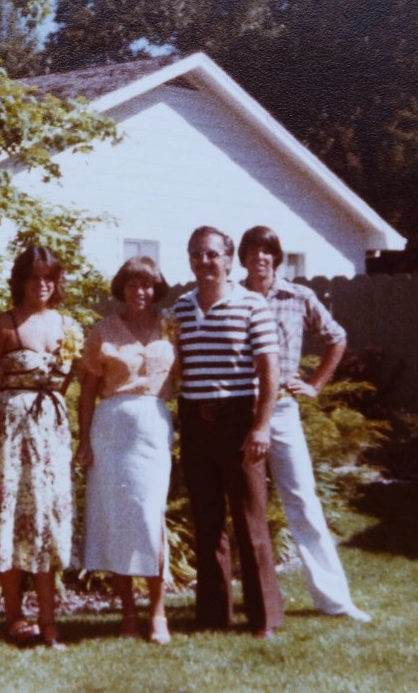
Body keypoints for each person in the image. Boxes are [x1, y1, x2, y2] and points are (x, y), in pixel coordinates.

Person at [239, 225, 371, 622]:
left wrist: (314, 385)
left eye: (268, 252)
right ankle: (252, 604)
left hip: (280, 411)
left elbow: (337, 338)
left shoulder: (298, 297)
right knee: (245, 507)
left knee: (303, 502)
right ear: (243, 257)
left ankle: (336, 601)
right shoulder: (233, 297)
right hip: (239, 412)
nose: (261, 258)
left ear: (276, 258)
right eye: (253, 251)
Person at [170, 225, 285, 638]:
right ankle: (213, 615)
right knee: (207, 520)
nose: (205, 262)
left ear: (228, 259)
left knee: (250, 520)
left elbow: (269, 371)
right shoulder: (180, 310)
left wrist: (261, 425)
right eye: (197, 254)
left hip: (239, 420)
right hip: (195, 421)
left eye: (212, 254)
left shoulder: (252, 305)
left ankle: (264, 618)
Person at [0, 246, 82, 650]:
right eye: (34, 277)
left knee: (46, 521)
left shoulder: (69, 325)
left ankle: (50, 621)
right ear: (20, 282)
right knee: (9, 517)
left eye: (49, 277)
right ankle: (15, 616)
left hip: (49, 433)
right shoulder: (3, 324)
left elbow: (68, 382)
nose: (42, 285)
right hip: (9, 433)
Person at [76, 256, 177, 645]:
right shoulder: (102, 330)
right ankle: (128, 611)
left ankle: (158, 611)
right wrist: (84, 441)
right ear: (122, 288)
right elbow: (86, 390)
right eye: (133, 285)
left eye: (148, 285)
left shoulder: (171, 327)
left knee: (150, 516)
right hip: (111, 428)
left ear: (156, 289)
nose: (141, 292)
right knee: (116, 520)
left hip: (153, 425)